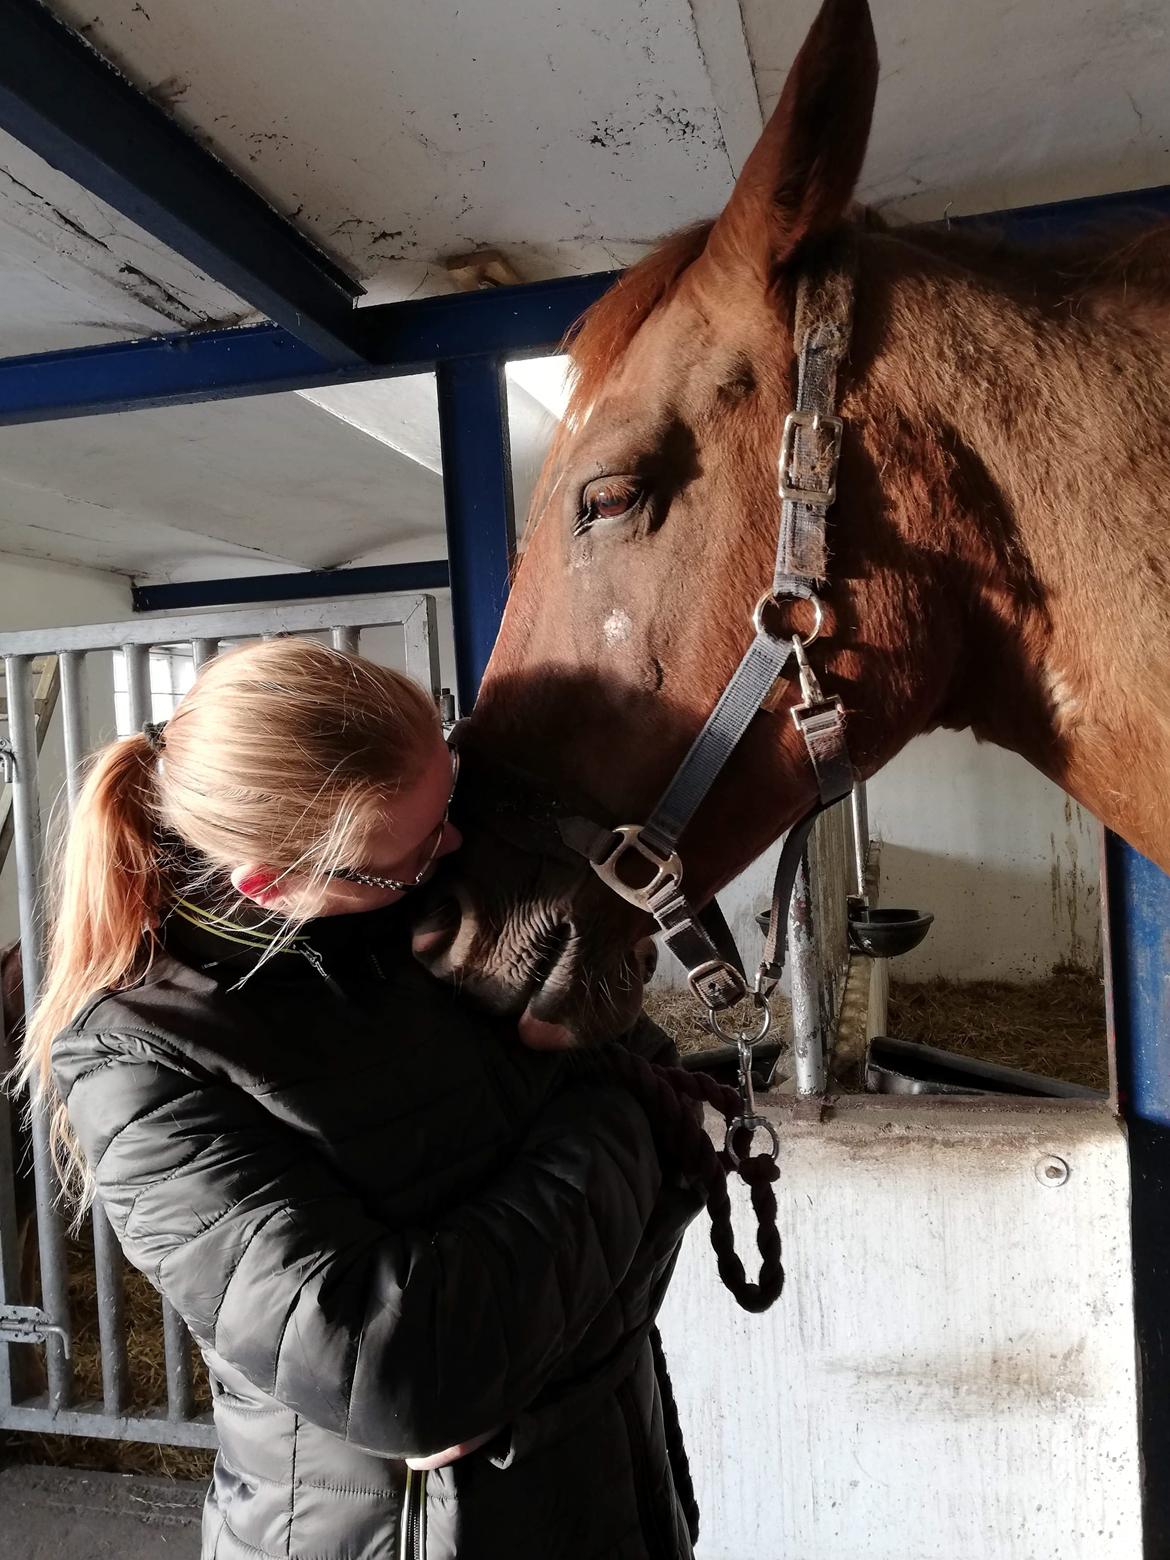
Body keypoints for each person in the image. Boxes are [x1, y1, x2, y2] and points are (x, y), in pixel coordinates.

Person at [18, 637, 703, 1560]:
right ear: (270, 884)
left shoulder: (425, 903)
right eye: (414, 851)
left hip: (610, 1488)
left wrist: (517, 1322)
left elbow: (657, 1090)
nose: (455, 847)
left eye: (449, 800)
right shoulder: (138, 1056)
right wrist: (629, 1120)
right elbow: (404, 1371)